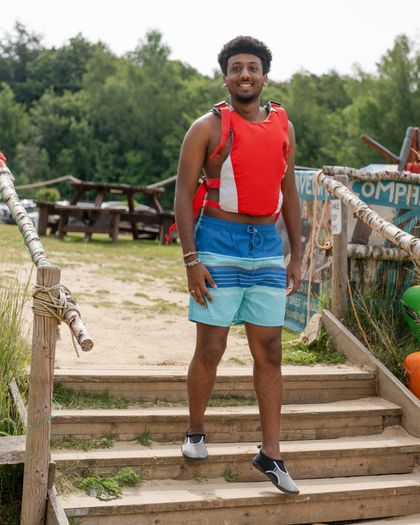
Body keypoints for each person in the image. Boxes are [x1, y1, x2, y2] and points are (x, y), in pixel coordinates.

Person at [172, 35, 301, 495]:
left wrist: (296, 255)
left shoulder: (283, 125)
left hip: (266, 245)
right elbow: (182, 197)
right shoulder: (205, 127)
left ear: (265, 76)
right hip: (217, 241)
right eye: (236, 68)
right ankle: (195, 430)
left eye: (253, 68)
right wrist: (191, 260)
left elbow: (290, 196)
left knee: (270, 351)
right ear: (225, 77)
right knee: (212, 346)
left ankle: (271, 454)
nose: (244, 75)